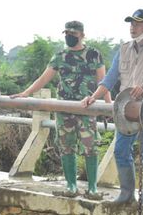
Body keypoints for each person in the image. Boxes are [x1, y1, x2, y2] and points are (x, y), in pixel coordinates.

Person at [11, 21, 111, 199]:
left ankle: (92, 188)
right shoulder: (60, 56)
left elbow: (103, 82)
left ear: (82, 35)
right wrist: (26, 93)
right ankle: (71, 186)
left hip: (87, 107)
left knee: (91, 147)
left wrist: (107, 106)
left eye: (73, 33)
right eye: (66, 33)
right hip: (64, 108)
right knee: (66, 146)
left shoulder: (94, 54)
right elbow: (44, 78)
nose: (69, 36)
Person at [82, 9, 143, 208]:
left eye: (137, 24)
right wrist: (94, 97)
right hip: (125, 108)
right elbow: (111, 77)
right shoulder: (123, 49)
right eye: (131, 23)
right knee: (121, 150)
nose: (132, 27)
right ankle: (126, 193)